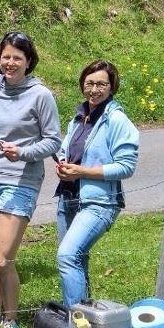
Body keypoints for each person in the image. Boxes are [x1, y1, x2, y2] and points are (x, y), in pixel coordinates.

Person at [0, 32, 61, 328]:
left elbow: (52, 141)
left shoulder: (41, 95)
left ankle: (11, 321)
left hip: (20, 180)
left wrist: (22, 152)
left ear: (28, 62)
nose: (10, 63)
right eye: (5, 57)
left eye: (17, 58)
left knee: (3, 255)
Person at [54, 60, 139, 306]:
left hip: (99, 202)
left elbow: (126, 166)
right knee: (77, 259)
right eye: (89, 83)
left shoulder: (117, 120)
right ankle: (87, 326)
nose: (94, 89)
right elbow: (65, 149)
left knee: (68, 256)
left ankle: (76, 320)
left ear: (112, 88)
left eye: (101, 84)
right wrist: (63, 163)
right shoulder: (78, 118)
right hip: (68, 198)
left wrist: (82, 171)